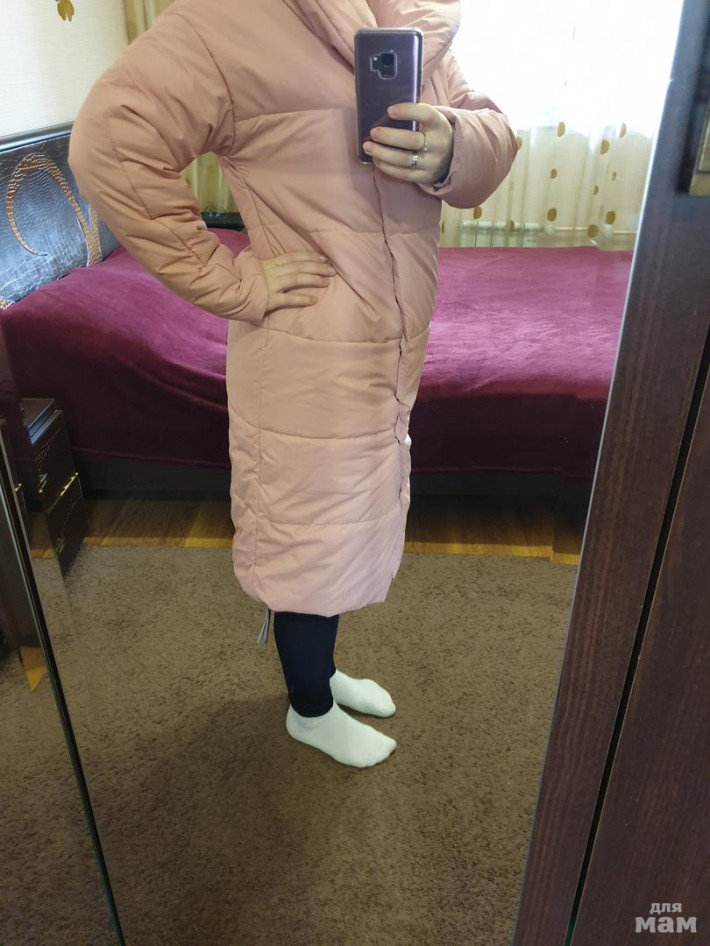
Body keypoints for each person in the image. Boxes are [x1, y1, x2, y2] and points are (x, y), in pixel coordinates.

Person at [68, 0, 518, 769]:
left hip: (390, 345)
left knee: (345, 530)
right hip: (306, 350)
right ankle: (309, 709)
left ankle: (322, 675)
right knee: (312, 539)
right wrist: (229, 280)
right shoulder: (229, 20)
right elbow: (110, 143)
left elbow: (491, 131)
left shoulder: (416, 20)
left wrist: (454, 145)